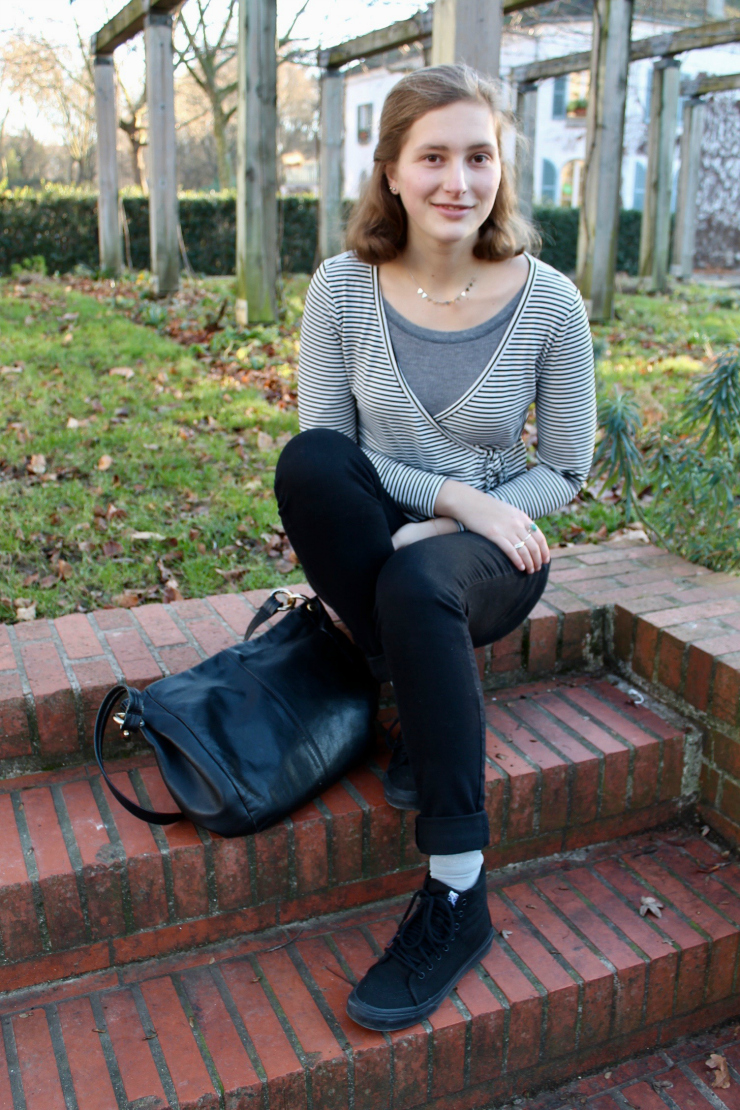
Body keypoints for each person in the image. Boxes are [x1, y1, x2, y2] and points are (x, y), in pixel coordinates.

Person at [274, 64, 596, 1033]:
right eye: (432, 157)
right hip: (405, 528)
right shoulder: (340, 287)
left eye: (478, 155)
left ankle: (456, 892)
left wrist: (472, 524)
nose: (458, 180)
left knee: (421, 577)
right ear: (392, 171)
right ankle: (411, 684)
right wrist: (449, 495)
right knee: (308, 466)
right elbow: (335, 451)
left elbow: (566, 467)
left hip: (495, 559)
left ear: (500, 166)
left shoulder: (548, 301)